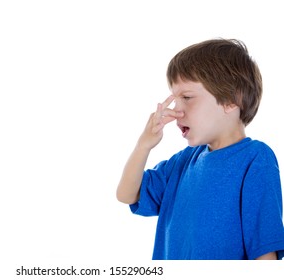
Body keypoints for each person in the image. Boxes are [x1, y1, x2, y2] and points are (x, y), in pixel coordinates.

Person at [116, 38, 284, 260]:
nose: (177, 111)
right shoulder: (182, 162)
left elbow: (264, 251)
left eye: (186, 97)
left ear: (231, 100)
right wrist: (143, 145)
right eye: (175, 100)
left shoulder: (255, 159)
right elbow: (126, 194)